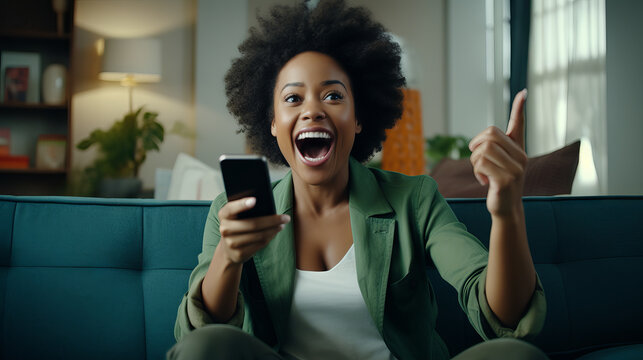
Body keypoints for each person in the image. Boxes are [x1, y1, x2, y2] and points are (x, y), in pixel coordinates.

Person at [169, 1, 547, 359]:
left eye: (333, 95)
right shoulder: (233, 210)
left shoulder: (413, 199)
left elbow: (507, 318)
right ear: (271, 123)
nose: (313, 110)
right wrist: (229, 258)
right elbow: (199, 340)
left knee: (517, 354)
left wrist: (507, 208)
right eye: (293, 99)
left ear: (359, 118)